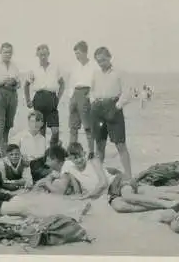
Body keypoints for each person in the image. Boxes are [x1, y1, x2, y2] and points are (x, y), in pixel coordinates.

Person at [90, 46, 133, 178]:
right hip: (98, 108)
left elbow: (127, 92)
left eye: (103, 60)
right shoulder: (95, 74)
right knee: (99, 144)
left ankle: (128, 175)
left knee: (120, 144)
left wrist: (118, 106)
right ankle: (99, 176)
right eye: (98, 61)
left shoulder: (119, 73)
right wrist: (93, 102)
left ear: (109, 57)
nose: (101, 63)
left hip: (113, 107)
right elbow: (91, 91)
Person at [34, 143, 115, 198]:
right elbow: (50, 176)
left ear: (55, 159)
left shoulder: (67, 166)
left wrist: (47, 183)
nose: (46, 163)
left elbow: (60, 191)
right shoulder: (64, 166)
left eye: (47, 160)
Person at [24, 44, 65, 147]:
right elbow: (26, 85)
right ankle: (40, 154)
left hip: (52, 99)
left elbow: (62, 84)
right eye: (41, 54)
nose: (43, 56)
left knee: (55, 131)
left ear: (48, 54)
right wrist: (28, 100)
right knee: (40, 131)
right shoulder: (33, 69)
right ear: (37, 55)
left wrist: (58, 98)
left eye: (45, 54)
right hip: (38, 99)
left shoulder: (55, 68)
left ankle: (52, 149)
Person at [68, 41, 96, 159]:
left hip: (86, 93)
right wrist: (70, 98)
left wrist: (90, 97)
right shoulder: (75, 67)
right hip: (75, 94)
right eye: (75, 53)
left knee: (87, 126)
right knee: (73, 126)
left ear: (85, 52)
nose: (77, 56)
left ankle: (91, 151)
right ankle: (72, 151)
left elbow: (95, 84)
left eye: (78, 53)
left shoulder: (93, 66)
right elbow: (71, 83)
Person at [107, 174, 179, 213]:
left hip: (118, 182)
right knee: (120, 207)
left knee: (128, 196)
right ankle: (162, 205)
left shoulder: (98, 167)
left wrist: (126, 180)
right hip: (112, 195)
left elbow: (115, 173)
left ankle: (163, 202)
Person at [10, 110, 49, 182]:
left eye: (37, 121)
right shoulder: (20, 136)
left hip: (38, 167)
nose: (34, 124)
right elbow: (11, 154)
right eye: (32, 121)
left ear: (42, 123)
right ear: (28, 122)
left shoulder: (43, 140)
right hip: (23, 167)